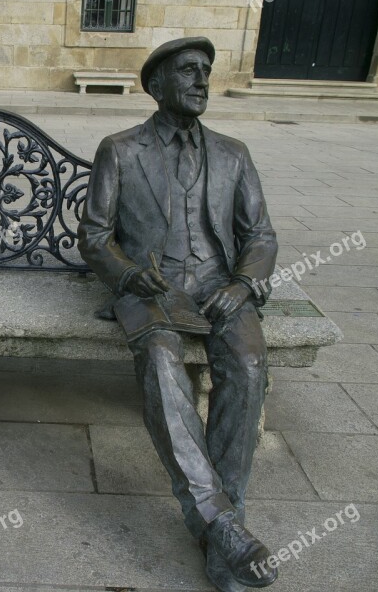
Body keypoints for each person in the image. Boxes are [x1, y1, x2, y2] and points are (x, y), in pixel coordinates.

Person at [78, 37, 279, 592]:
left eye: (206, 72)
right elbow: (94, 236)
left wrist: (243, 284)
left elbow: (259, 235)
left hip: (221, 287)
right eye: (187, 71)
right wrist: (125, 273)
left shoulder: (234, 153)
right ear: (156, 84)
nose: (200, 81)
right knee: (163, 364)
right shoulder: (119, 150)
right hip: (151, 289)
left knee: (248, 364)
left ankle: (221, 526)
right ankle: (223, 528)